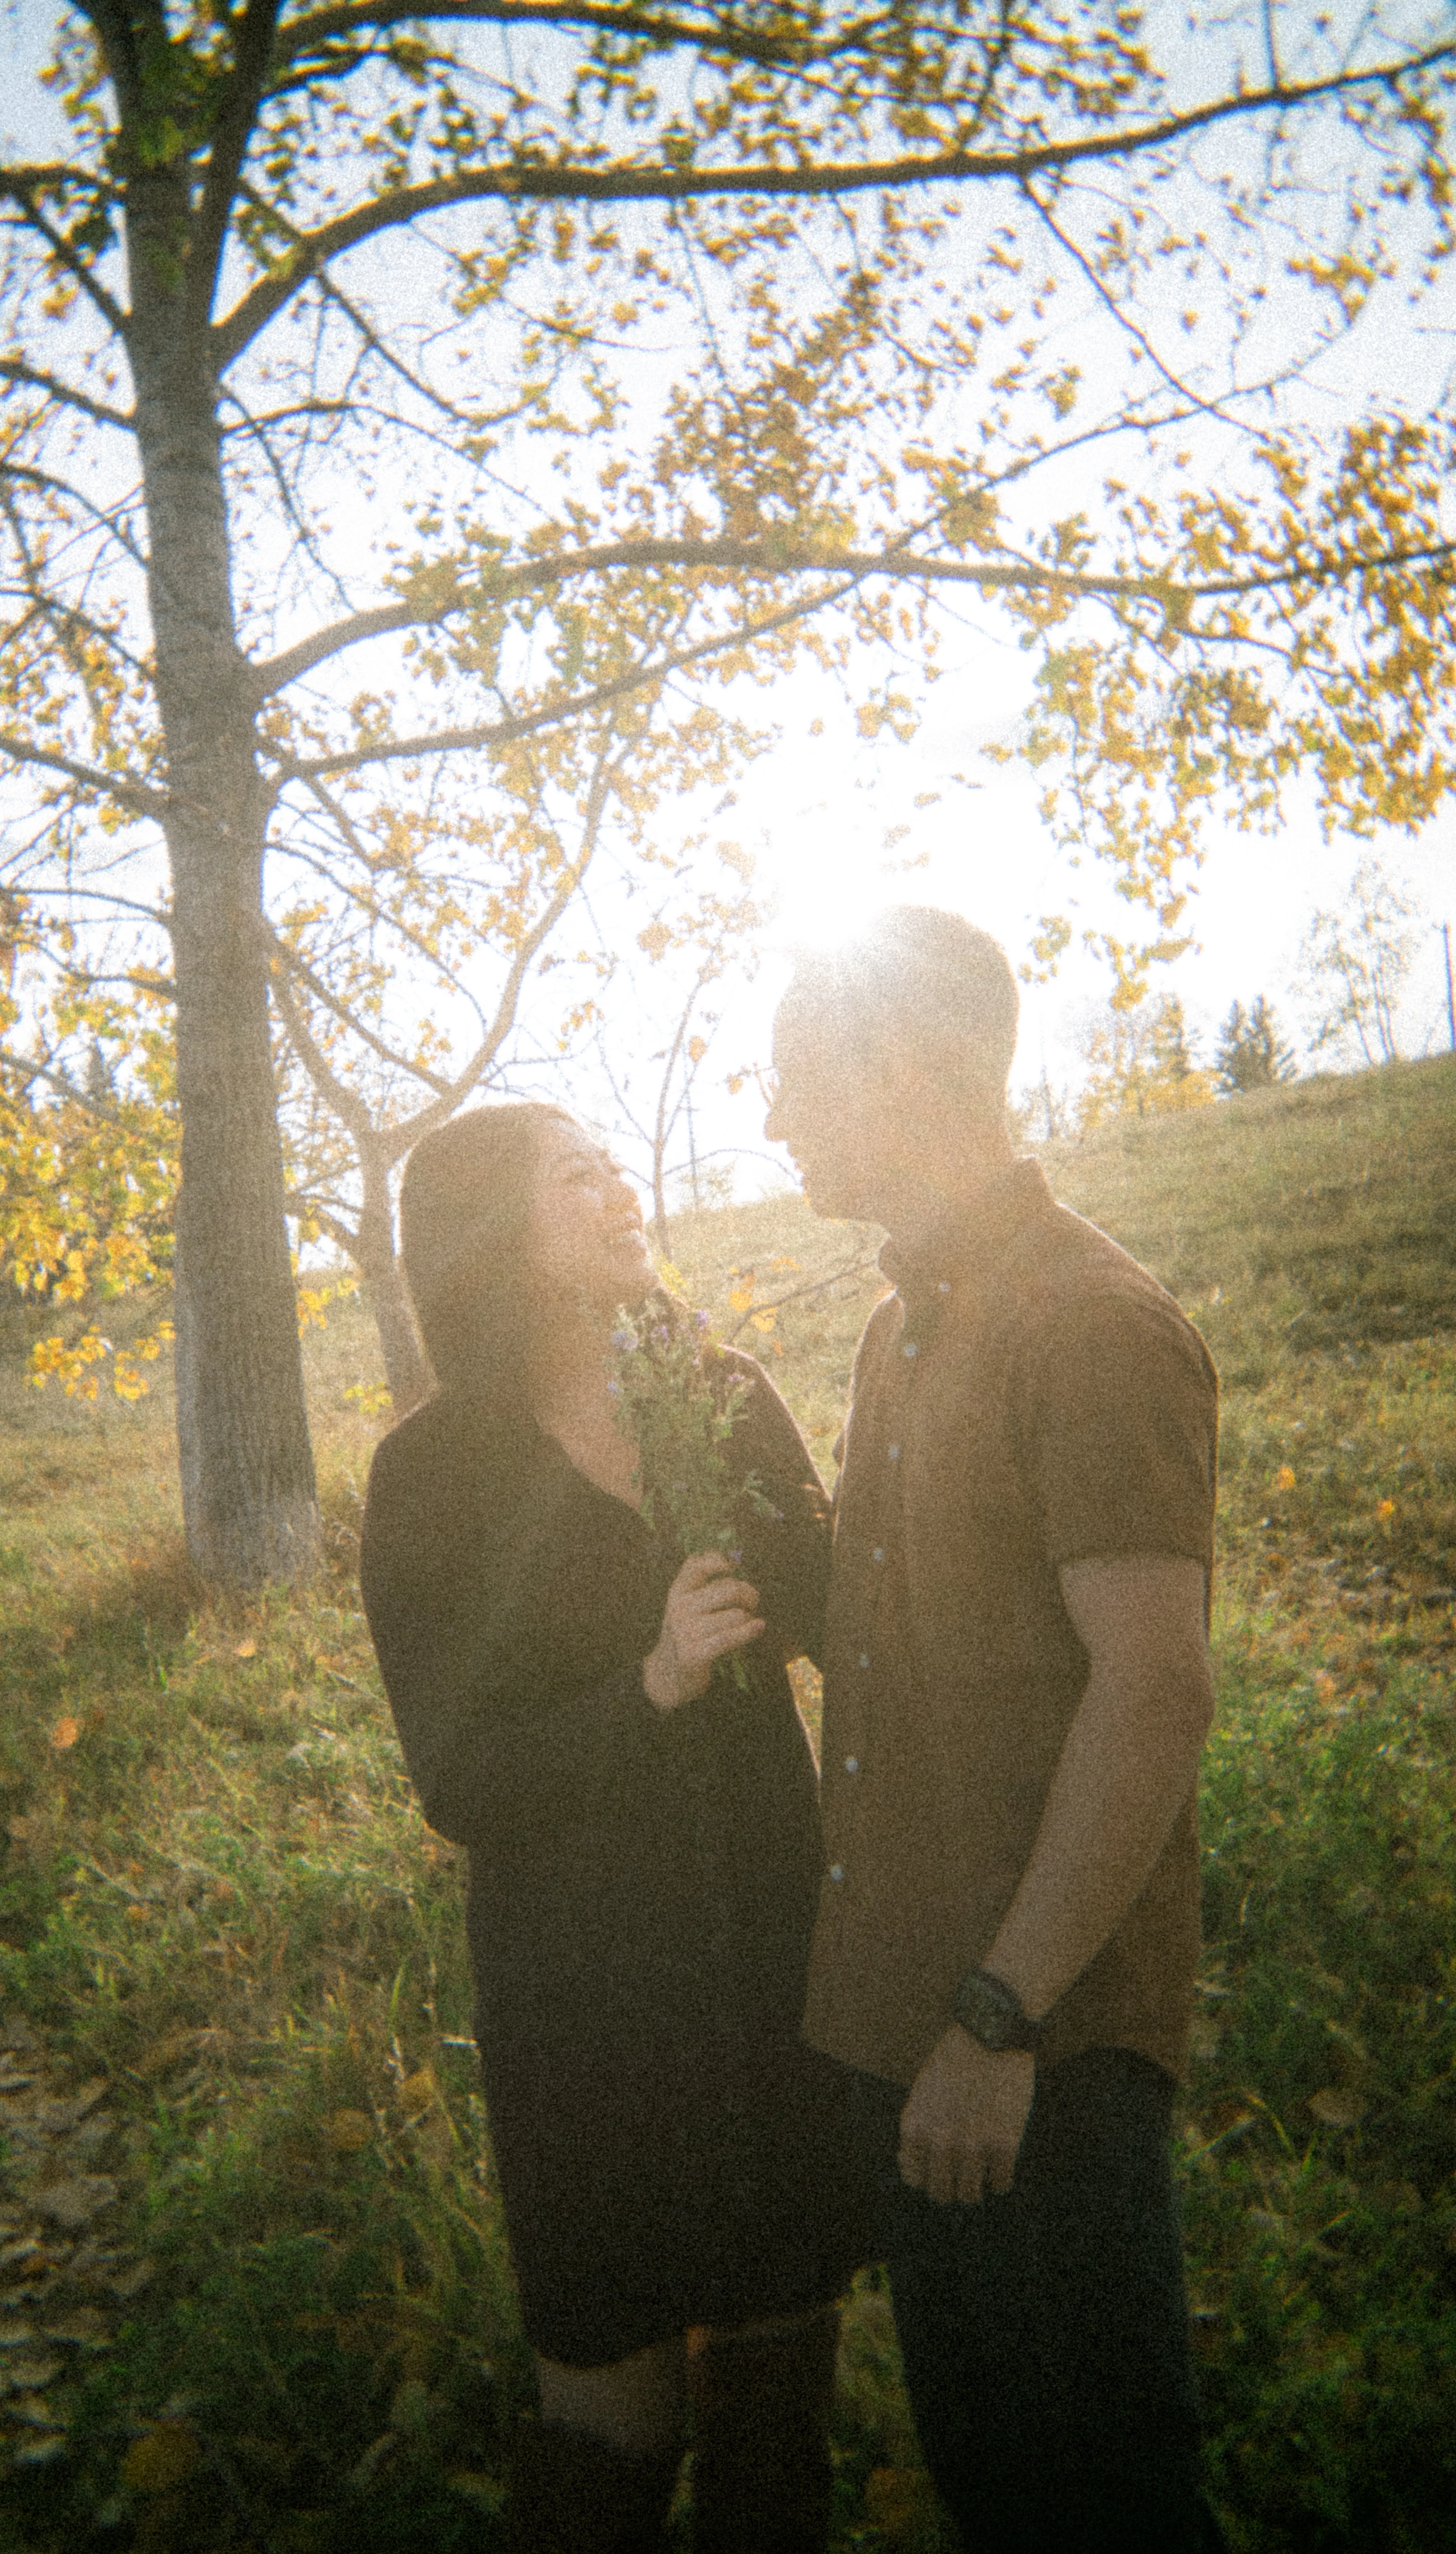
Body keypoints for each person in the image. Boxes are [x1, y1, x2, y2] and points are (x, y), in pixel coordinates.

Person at [765, 907, 1225, 2554]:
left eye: (796, 1074)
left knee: (1102, 2498)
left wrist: (997, 2015)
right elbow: (910, 1655)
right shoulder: (903, 1327)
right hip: (915, 2041)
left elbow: (1155, 1689)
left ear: (894, 1066)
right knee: (997, 2487)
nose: (771, 1117)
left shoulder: (1089, 1327)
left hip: (1030, 2053)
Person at [358, 1102, 867, 2554]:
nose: (619, 1188)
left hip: (770, 1946)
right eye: (575, 1176)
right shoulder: (432, 1474)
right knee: (612, 2420)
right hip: (585, 1995)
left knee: (777, 2391)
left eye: (611, 1164)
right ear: (492, 1241)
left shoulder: (716, 1392)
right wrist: (648, 1684)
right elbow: (460, 1777)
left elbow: (842, 1617)